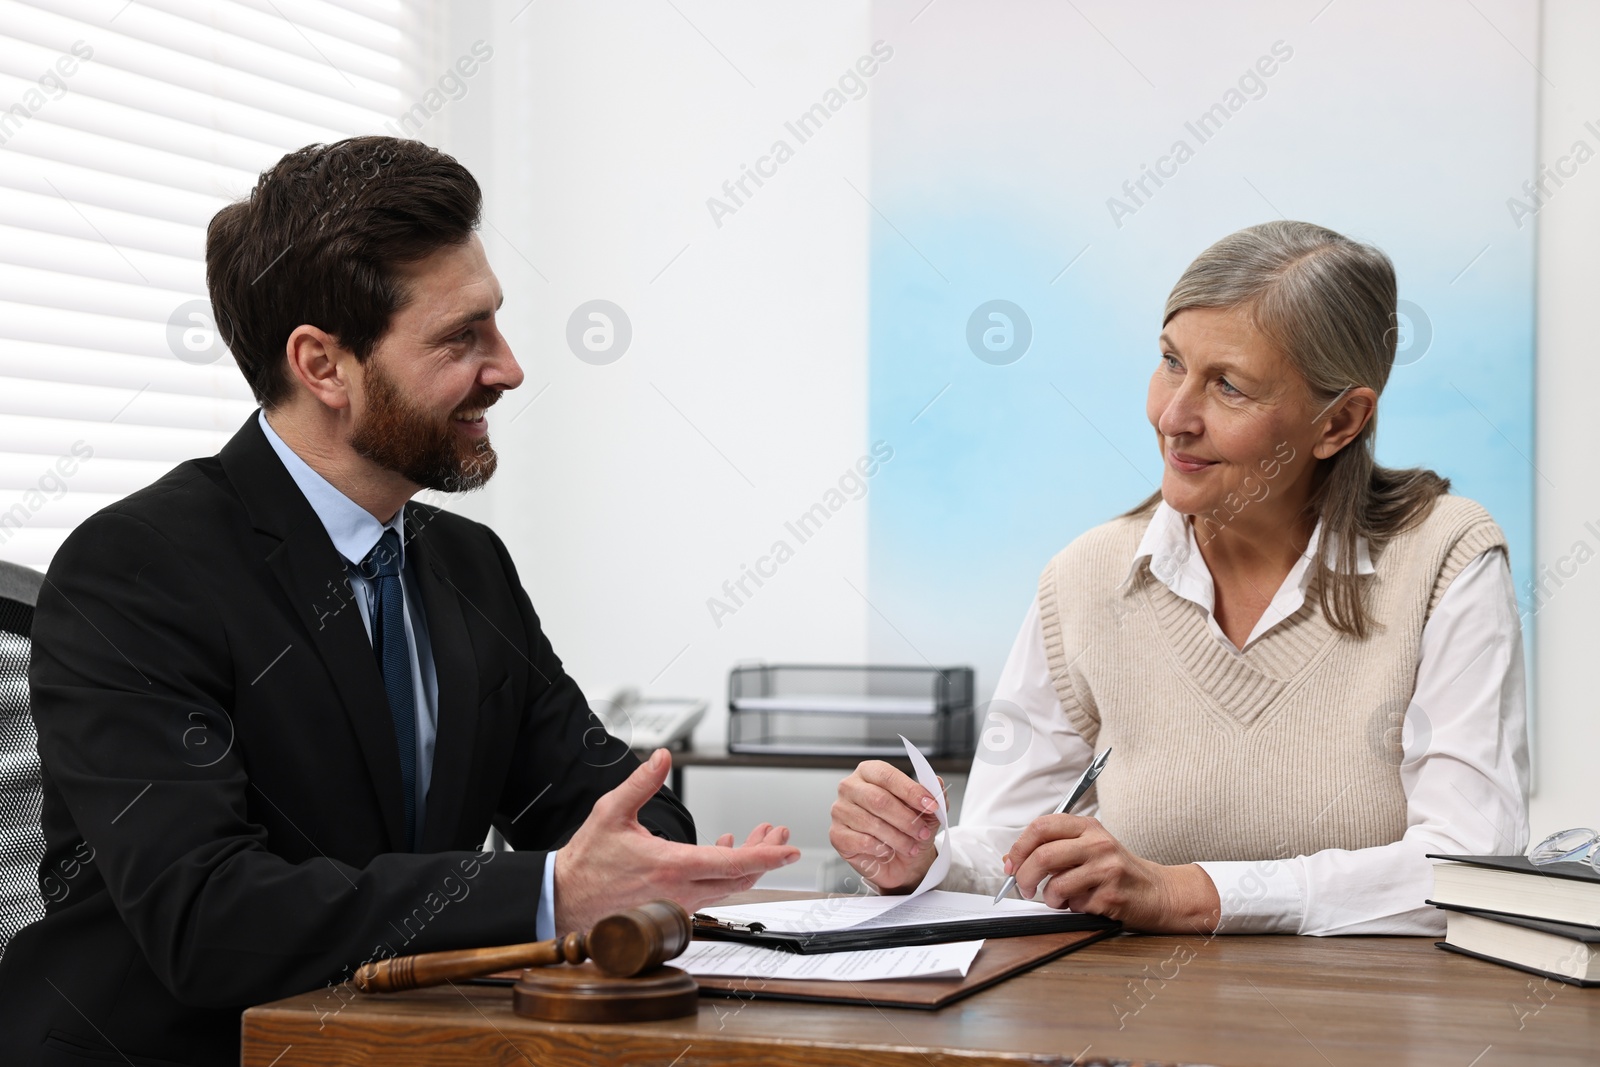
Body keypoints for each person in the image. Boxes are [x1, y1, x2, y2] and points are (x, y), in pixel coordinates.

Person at [0, 136, 799, 1066]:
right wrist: (551, 891)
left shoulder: (467, 564)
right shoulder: (135, 568)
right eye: (462, 337)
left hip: (391, 1044)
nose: (508, 368)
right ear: (323, 366)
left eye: (495, 326)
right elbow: (208, 917)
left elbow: (601, 805)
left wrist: (652, 860)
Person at [831, 220, 1528, 936]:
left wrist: (1190, 893)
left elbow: (1467, 867)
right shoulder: (1086, 578)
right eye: (1170, 362)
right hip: (1131, 1038)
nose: (1171, 415)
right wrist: (925, 859)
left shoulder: (1446, 557)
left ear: (1339, 422)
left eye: (1228, 386)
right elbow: (1009, 852)